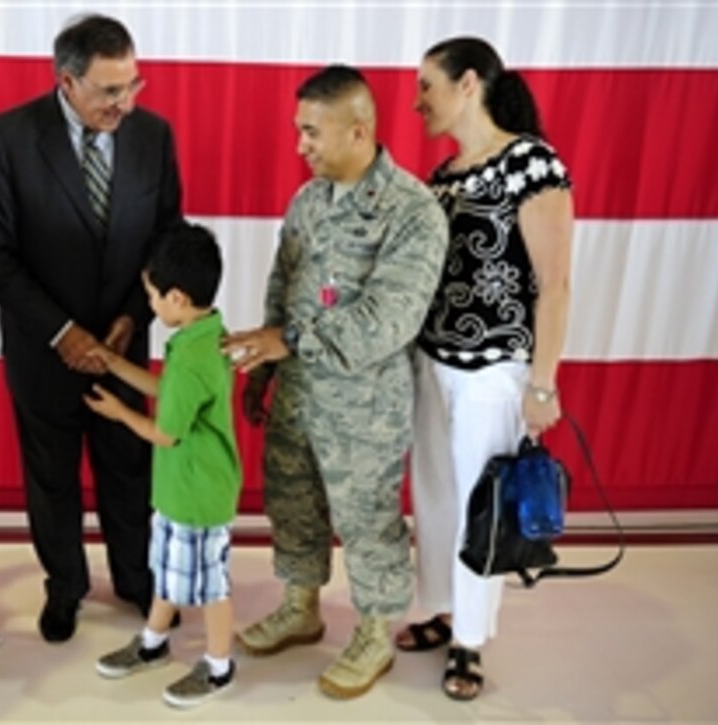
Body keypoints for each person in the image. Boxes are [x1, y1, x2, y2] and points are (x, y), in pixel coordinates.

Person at [221, 65, 449, 700]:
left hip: (364, 409)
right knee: (293, 503)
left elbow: (388, 320)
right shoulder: (308, 200)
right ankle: (302, 607)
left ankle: (376, 630)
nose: (301, 146)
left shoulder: (412, 211)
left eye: (312, 133)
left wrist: (285, 343)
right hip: (297, 395)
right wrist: (265, 365)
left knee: (367, 518)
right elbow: (282, 287)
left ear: (358, 131)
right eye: (299, 132)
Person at [0, 13, 183, 643]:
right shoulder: (6, 138)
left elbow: (167, 236)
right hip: (44, 351)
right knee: (52, 478)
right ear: (67, 82)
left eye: (133, 85)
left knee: (128, 469)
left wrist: (129, 318)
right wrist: (64, 332)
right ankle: (64, 587)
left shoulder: (154, 136)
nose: (126, 103)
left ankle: (136, 581)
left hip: (123, 347)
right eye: (110, 91)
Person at [397, 36, 575, 701]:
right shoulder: (444, 176)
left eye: (426, 86)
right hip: (432, 360)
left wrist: (542, 381)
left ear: (468, 83)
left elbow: (554, 284)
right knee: (436, 494)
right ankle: (440, 608)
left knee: (481, 502)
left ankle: (470, 640)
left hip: (493, 366)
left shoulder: (532, 162)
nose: (416, 102)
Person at [84, 224, 241, 709]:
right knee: (170, 574)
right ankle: (154, 642)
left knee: (210, 586)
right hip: (180, 489)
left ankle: (219, 666)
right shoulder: (202, 334)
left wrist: (119, 413)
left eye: (152, 296)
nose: (149, 305)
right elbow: (167, 393)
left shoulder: (195, 356)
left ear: (177, 297)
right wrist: (114, 364)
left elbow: (165, 431)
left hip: (198, 494)